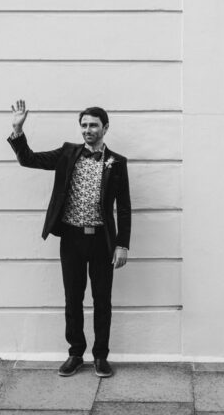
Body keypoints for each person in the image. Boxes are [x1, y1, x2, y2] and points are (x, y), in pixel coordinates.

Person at [7, 100, 131, 378]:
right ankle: (75, 353)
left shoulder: (117, 162)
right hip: (72, 239)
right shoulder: (67, 153)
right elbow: (30, 159)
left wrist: (122, 244)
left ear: (105, 128)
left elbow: (123, 207)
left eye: (93, 125)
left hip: (102, 241)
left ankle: (100, 356)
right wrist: (17, 129)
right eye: (84, 125)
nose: (88, 129)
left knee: (102, 300)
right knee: (72, 298)